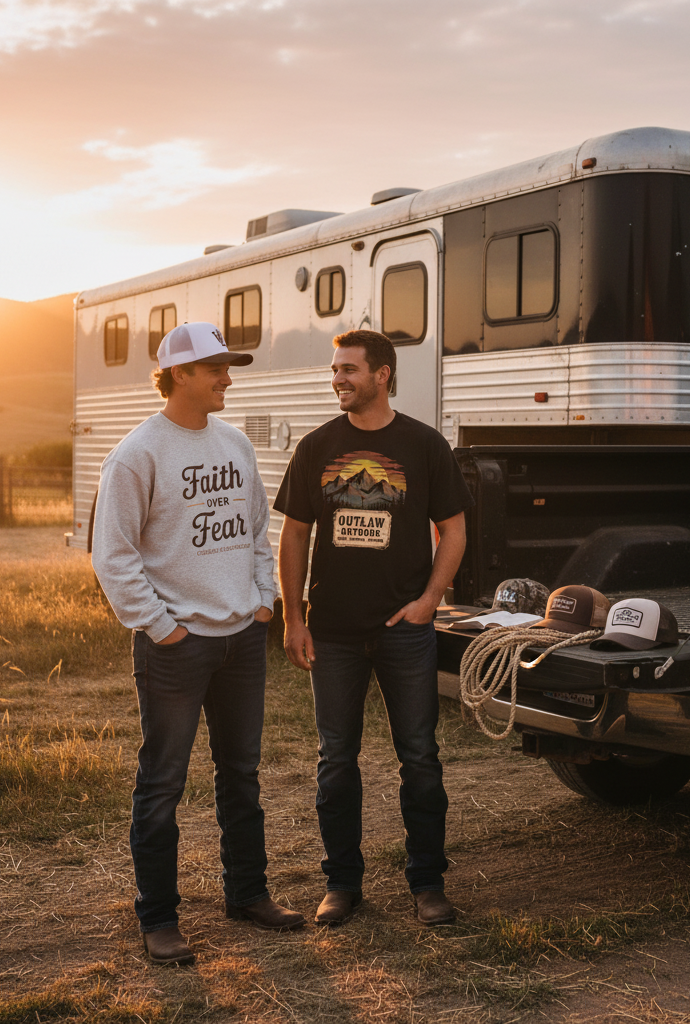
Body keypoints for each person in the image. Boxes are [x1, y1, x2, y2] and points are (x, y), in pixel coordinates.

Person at [92, 321, 304, 967]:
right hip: (178, 647)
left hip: (241, 637)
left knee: (241, 775)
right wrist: (162, 628)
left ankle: (248, 894)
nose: (227, 378)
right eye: (216, 368)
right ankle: (158, 918)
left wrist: (264, 599)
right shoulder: (138, 453)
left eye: (227, 367)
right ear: (179, 374)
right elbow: (114, 556)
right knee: (163, 782)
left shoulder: (234, 442)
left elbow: (256, 530)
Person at [274, 329, 472, 927]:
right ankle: (341, 884)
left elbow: (455, 531)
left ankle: (427, 883)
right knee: (336, 761)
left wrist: (429, 602)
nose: (338, 379)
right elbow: (294, 536)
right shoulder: (316, 447)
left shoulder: (424, 445)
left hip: (403, 630)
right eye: (335, 370)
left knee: (420, 758)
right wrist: (293, 617)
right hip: (332, 633)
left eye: (349, 370)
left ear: (382, 374)